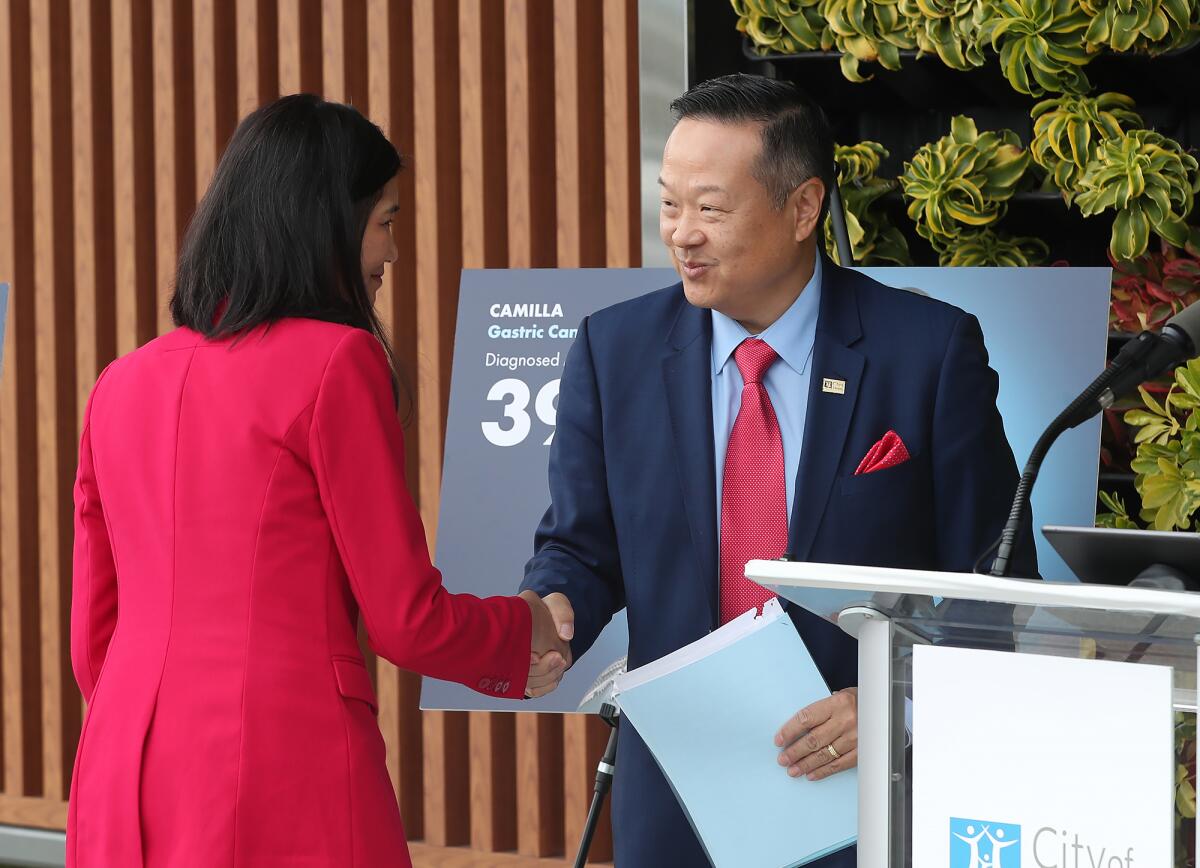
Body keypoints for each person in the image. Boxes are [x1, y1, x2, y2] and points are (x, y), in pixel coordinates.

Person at [520, 74, 1037, 867]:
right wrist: (548, 614)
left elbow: (996, 589)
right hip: (677, 800)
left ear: (802, 209)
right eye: (669, 204)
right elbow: (582, 552)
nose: (682, 235)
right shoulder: (611, 351)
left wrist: (899, 701)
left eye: (711, 209)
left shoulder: (927, 352)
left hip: (867, 792)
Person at [67, 94, 570, 868]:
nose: (393, 254)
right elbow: (406, 619)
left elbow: (91, 640)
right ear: (326, 224)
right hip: (277, 761)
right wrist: (526, 625)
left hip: (117, 766)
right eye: (386, 223)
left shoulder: (120, 383)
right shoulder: (335, 362)